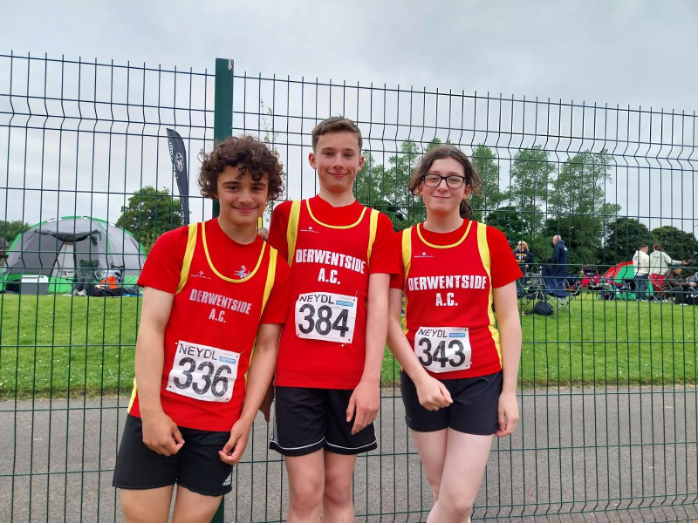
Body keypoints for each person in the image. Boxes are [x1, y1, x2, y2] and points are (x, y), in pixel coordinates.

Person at [112, 136, 291, 523]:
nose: (245, 197)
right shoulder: (177, 245)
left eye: (256, 188)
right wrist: (153, 413)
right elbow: (151, 330)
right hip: (157, 413)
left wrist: (244, 421)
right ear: (214, 188)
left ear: (269, 193)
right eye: (233, 186)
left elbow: (267, 348)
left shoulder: (276, 267)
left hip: (219, 426)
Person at [266, 117, 398, 522]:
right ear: (312, 159)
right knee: (306, 495)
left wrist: (370, 381)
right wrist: (266, 379)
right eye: (328, 153)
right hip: (296, 378)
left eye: (347, 154)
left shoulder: (377, 225)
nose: (337, 162)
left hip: (350, 380)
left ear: (362, 161)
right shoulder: (288, 216)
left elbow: (379, 307)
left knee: (339, 491)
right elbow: (271, 305)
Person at [387, 146, 523, 523]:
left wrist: (508, 393)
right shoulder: (402, 244)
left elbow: (510, 320)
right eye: (433, 177)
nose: (443, 186)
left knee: (458, 499)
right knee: (443, 493)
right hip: (422, 381)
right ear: (419, 187)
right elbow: (387, 319)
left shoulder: (489, 240)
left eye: (454, 179)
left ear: (467, 190)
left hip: (479, 379)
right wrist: (420, 378)